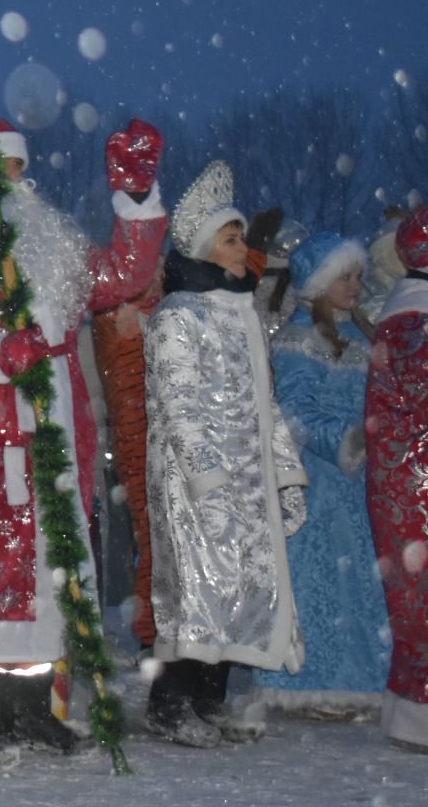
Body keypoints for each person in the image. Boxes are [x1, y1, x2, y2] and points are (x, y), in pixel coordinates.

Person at [0, 115, 166, 767]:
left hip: (56, 441)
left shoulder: (48, 242)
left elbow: (125, 279)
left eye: (14, 166)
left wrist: (134, 201)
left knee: (48, 575)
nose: (5, 179)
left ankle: (27, 712)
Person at [144, 160, 307, 748]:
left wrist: (285, 474)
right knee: (197, 586)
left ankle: (210, 700)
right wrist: (205, 477)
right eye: (232, 240)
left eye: (240, 238)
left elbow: (268, 405)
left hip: (248, 477)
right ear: (205, 248)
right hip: (197, 483)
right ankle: (168, 702)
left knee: (237, 585)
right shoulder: (176, 317)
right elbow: (180, 403)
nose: (243, 250)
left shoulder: (245, 316)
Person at [254, 234, 389, 717]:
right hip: (320, 480)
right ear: (319, 283)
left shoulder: (361, 335)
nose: (355, 286)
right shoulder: (299, 337)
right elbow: (292, 412)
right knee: (321, 582)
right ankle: (313, 682)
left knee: (359, 584)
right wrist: (346, 440)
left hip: (360, 483)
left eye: (357, 276)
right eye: (345, 277)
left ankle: (358, 681)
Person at [364, 208, 428, 753]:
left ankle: (411, 711)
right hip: (417, 485)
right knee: (419, 599)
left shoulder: (403, 317)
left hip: (406, 481)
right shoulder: (415, 323)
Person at [91, 263, 164, 651]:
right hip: (139, 441)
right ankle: (153, 635)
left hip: (164, 441)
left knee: (162, 542)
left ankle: (169, 634)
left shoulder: (163, 311)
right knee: (153, 541)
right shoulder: (118, 317)